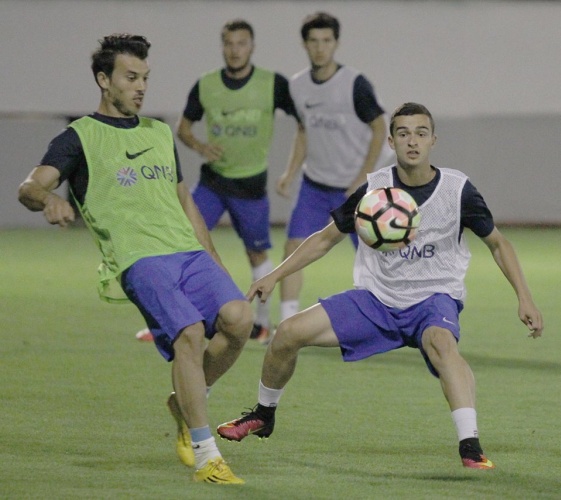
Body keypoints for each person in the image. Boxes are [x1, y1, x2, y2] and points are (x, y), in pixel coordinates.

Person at [215, 102, 544, 470]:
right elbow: (324, 239)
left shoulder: (458, 190)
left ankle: (470, 446)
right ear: (391, 141)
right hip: (376, 301)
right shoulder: (373, 190)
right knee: (287, 333)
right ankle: (263, 414)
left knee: (442, 344)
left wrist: (525, 298)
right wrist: (274, 274)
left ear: (433, 140)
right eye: (403, 133)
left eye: (421, 133)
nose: (412, 141)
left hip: (433, 300)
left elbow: (499, 243)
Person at [18, 33, 253, 485]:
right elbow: (29, 186)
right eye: (130, 77)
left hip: (187, 251)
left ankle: (185, 401)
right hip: (139, 258)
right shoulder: (79, 137)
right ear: (104, 80)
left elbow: (184, 202)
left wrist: (214, 260)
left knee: (240, 318)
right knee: (189, 334)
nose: (141, 86)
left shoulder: (159, 132)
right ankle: (206, 455)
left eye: (145, 77)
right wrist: (48, 199)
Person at [133, 19, 299, 345]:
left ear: (252, 47)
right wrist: (200, 146)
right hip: (212, 184)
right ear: (222, 47)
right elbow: (183, 128)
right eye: (229, 44)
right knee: (177, 243)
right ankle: (166, 323)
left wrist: (291, 171)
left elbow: (305, 122)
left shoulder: (273, 84)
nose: (235, 50)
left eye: (241, 44)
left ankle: (262, 325)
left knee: (256, 254)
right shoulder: (206, 84)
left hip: (250, 187)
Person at [276, 12, 395, 323]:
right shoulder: (297, 85)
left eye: (326, 41)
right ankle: (286, 322)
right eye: (314, 41)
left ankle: (390, 317)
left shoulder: (354, 83)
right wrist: (290, 172)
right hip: (314, 185)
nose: (320, 48)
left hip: (355, 189)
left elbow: (379, 128)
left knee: (372, 258)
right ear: (304, 44)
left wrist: (363, 177)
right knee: (293, 249)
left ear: (336, 43)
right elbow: (303, 130)